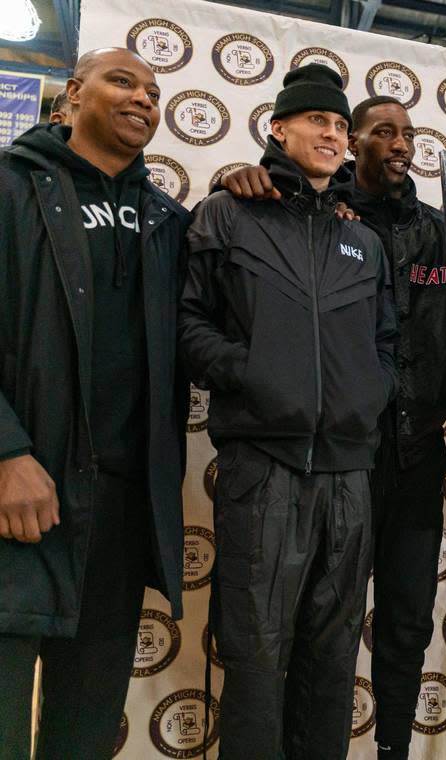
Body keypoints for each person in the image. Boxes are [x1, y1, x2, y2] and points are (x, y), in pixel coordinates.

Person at [221, 94, 446, 760]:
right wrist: (234, 177)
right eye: (385, 132)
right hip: (339, 456)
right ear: (355, 142)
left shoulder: (438, 232)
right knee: (307, 625)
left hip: (414, 455)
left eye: (409, 133)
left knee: (406, 620)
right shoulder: (319, 213)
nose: (402, 143)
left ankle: (392, 749)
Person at [179, 64, 397, 760]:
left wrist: (368, 394)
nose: (331, 134)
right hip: (263, 467)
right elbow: (188, 326)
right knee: (257, 657)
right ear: (279, 127)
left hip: (349, 475)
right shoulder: (229, 212)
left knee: (332, 660)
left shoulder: (362, 239)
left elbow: (385, 343)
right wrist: (253, 374)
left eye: (339, 125)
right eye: (316, 121)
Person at [0, 47, 189, 760]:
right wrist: (7, 452)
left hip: (119, 512)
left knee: (82, 738)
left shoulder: (171, 221)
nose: (143, 96)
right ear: (73, 94)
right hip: (17, 501)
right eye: (122, 80)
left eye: (153, 89)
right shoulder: (10, 187)